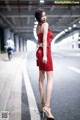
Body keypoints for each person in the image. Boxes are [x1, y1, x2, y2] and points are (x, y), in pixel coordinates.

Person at [35, 9, 54, 119]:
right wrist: (46, 55)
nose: (45, 18)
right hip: (45, 51)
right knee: (50, 78)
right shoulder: (45, 25)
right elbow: (45, 40)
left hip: (40, 52)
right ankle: (47, 107)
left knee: (41, 78)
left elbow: (39, 40)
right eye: (42, 16)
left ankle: (42, 103)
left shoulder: (38, 27)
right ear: (39, 18)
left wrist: (38, 46)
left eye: (45, 15)